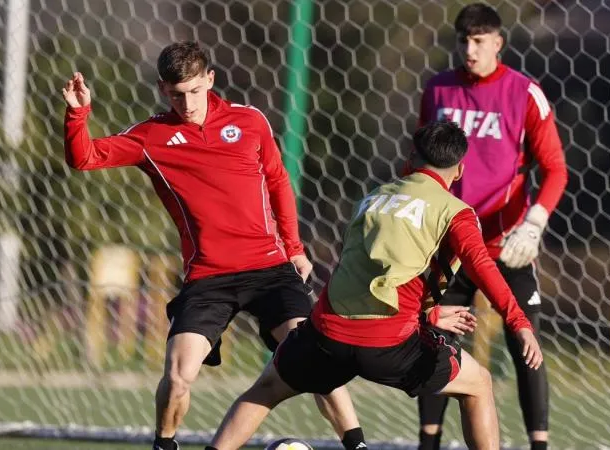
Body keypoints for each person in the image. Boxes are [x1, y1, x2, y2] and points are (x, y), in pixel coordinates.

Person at [62, 41, 365, 450]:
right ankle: (164, 444)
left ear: (210, 79)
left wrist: (295, 247)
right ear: (162, 89)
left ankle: (357, 445)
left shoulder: (250, 122)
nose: (186, 103)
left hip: (270, 269)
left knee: (311, 356)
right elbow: (85, 158)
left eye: (193, 91)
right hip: (209, 277)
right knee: (178, 374)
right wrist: (78, 112)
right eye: (175, 94)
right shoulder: (152, 136)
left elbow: (277, 181)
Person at [206, 120, 543, 450]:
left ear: (409, 160)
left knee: (265, 388)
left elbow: (365, 275)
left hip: (328, 334)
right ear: (459, 171)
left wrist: (429, 314)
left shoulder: (373, 199)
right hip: (389, 346)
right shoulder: (455, 212)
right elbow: (482, 267)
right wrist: (519, 323)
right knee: (480, 384)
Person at [413, 4, 568, 450]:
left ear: (498, 43)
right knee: (435, 340)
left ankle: (538, 443)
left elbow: (556, 169)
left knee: (526, 343)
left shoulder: (524, 92)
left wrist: (534, 223)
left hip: (508, 245)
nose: (469, 49)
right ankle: (428, 442)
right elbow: (421, 160)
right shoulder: (438, 89)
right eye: (464, 40)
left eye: (479, 41)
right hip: (449, 244)